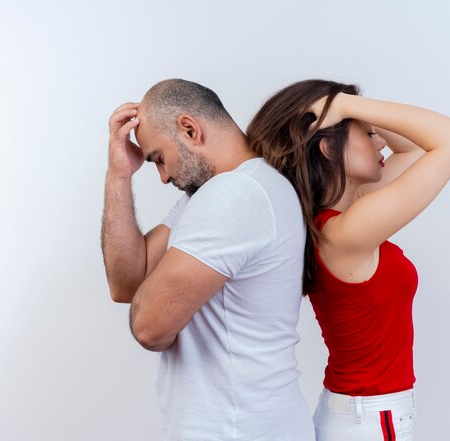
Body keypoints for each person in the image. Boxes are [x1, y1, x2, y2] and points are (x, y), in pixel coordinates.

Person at [247, 79, 450, 441]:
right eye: (368, 135)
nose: (381, 140)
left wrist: (348, 110)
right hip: (368, 420)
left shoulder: (340, 221)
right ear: (329, 150)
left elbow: (413, 153)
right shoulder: (344, 234)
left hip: (363, 415)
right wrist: (347, 106)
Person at [101, 79, 315, 441]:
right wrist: (118, 174)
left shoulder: (235, 195)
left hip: (239, 429)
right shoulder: (210, 196)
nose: (164, 175)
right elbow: (125, 283)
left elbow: (149, 327)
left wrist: (160, 306)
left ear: (189, 129)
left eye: (159, 158)